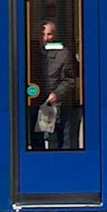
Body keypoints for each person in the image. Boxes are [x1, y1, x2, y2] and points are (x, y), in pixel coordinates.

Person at [35, 21, 79, 150]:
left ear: (54, 35)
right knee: (37, 142)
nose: (45, 38)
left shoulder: (63, 53)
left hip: (57, 105)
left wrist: (57, 94)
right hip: (35, 104)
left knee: (57, 141)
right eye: (42, 34)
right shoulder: (31, 52)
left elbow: (70, 80)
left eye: (49, 34)